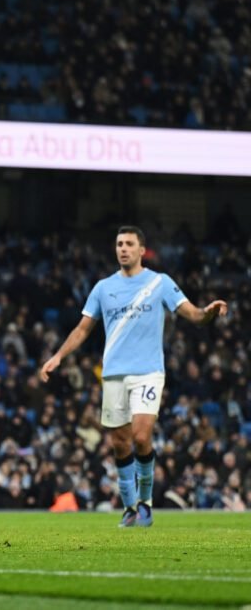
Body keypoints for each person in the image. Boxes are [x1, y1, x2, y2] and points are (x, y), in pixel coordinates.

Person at [40, 225, 228, 528]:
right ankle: (129, 508)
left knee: (141, 436)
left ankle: (146, 503)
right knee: (120, 444)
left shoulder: (159, 282)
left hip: (149, 372)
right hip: (114, 374)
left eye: (129, 244)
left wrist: (208, 311)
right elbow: (83, 329)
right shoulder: (103, 288)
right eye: (119, 244)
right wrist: (58, 356)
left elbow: (192, 314)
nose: (123, 249)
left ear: (142, 250)